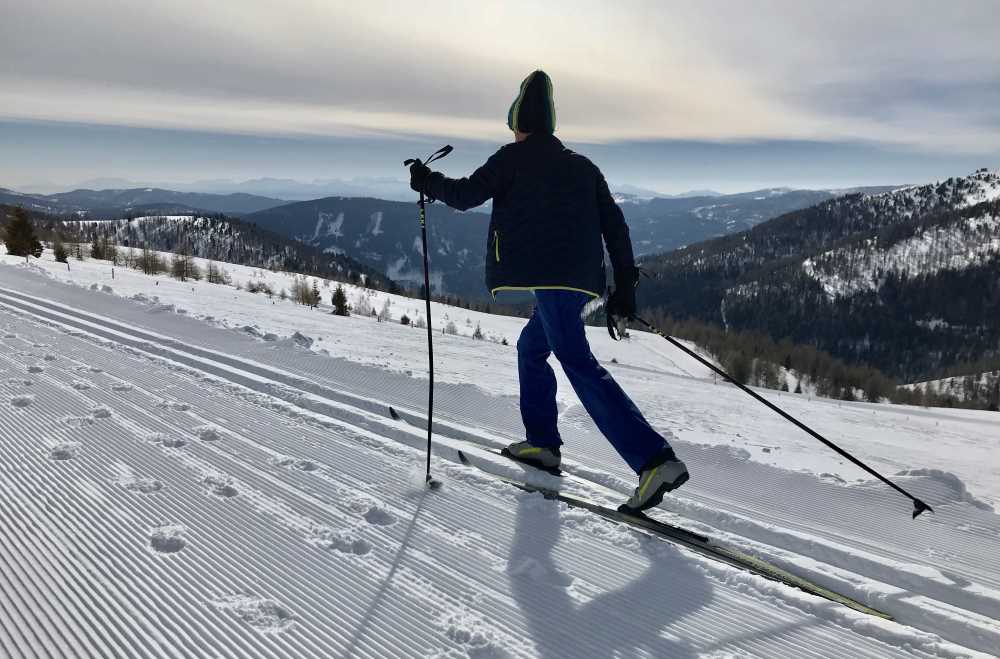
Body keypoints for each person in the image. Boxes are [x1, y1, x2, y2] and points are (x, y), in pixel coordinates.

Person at [409, 70, 688, 512]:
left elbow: (465, 196)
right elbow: (616, 226)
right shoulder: (583, 166)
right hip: (578, 282)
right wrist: (625, 286)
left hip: (553, 282)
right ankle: (542, 444)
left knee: (576, 361)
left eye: (514, 125)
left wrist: (427, 181)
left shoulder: (510, 158)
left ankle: (654, 460)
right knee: (530, 347)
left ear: (518, 123)